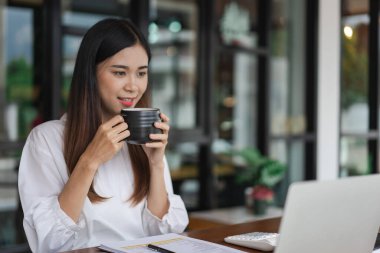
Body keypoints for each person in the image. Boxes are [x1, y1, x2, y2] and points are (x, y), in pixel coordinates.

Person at [18, 18, 189, 253]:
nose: (133, 86)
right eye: (120, 72)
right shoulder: (46, 139)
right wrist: (90, 161)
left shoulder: (143, 141)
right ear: (91, 74)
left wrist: (156, 162)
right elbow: (49, 242)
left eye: (141, 73)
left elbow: (165, 234)